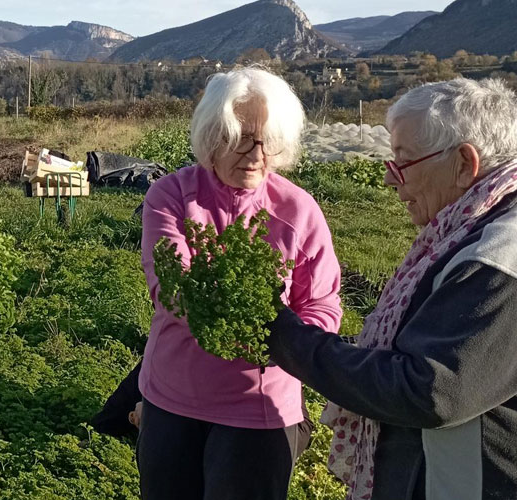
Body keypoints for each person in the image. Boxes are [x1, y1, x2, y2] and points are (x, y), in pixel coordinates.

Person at [266, 78, 517, 500]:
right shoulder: (467, 230)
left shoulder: (499, 256)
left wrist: (285, 336)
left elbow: (432, 389)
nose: (388, 179)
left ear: (463, 163)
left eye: (403, 160)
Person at [137, 67, 342, 500]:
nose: (256, 154)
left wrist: (291, 344)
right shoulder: (171, 196)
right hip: (173, 397)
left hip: (261, 406)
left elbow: (322, 302)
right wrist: (225, 320)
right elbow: (171, 285)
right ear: (213, 136)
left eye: (268, 140)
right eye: (241, 138)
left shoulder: (299, 211)